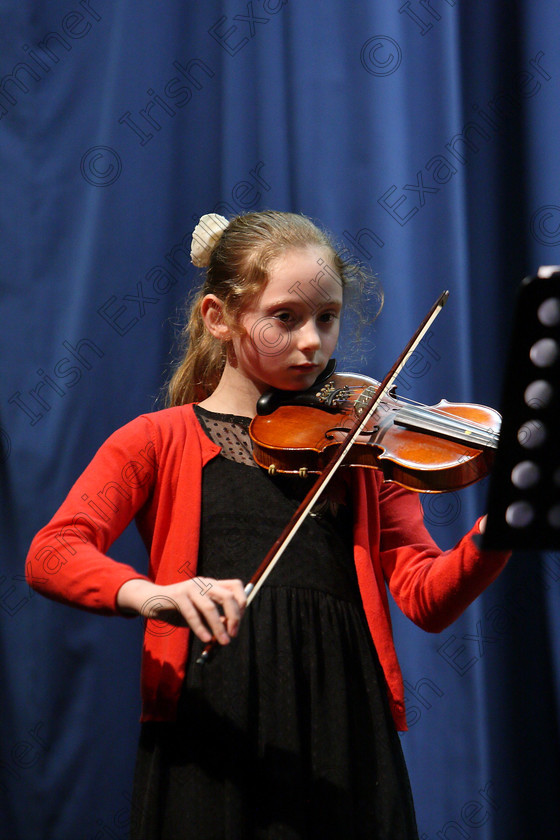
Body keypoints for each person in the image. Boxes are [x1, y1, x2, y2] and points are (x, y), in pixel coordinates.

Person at [26, 210, 510, 840]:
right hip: (215, 716)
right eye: (285, 318)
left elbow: (425, 595)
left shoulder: (363, 449)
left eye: (327, 318)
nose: (312, 342)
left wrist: (500, 529)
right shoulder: (156, 439)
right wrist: (154, 594)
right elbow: (53, 551)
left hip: (345, 714)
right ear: (219, 318)